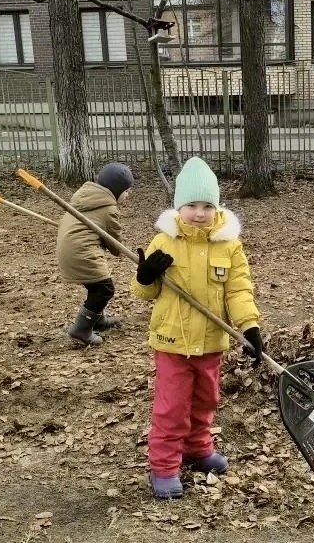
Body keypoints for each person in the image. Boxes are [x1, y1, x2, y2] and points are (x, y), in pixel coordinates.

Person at [131, 156, 265, 500]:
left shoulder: (228, 244)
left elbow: (238, 289)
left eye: (207, 205)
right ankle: (163, 467)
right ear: (179, 206)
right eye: (192, 205)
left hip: (211, 342)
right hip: (172, 342)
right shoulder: (165, 242)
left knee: (206, 401)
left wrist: (249, 327)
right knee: (171, 408)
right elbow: (146, 293)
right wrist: (145, 277)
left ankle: (197, 447)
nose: (200, 212)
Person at [56, 162, 134, 346]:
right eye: (126, 191)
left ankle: (97, 319)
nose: (128, 195)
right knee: (104, 289)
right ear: (116, 190)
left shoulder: (84, 198)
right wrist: (117, 249)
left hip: (71, 250)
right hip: (82, 253)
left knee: (96, 286)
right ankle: (81, 329)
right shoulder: (108, 208)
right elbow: (114, 243)